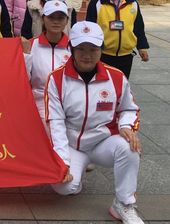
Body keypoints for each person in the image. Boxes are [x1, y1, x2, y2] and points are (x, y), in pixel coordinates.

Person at [45, 21, 144, 224]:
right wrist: (63, 161)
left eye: (93, 49)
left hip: (102, 142)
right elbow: (55, 123)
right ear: (71, 48)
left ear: (101, 49)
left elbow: (129, 108)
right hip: (72, 144)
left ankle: (123, 204)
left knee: (130, 147)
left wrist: (126, 126)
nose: (87, 55)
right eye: (81, 49)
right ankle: (77, 172)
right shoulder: (56, 79)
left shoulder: (116, 77)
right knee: (65, 187)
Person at [86, 0, 149, 79]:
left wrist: (142, 47)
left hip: (126, 55)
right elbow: (90, 29)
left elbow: (138, 27)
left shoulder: (132, 3)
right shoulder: (96, 3)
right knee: (103, 83)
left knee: (121, 83)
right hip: (103, 54)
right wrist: (90, 50)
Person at [21, 0, 71, 123]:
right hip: (38, 102)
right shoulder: (30, 45)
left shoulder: (74, 47)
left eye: (60, 18)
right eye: (51, 17)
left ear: (67, 21)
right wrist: (25, 55)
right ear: (43, 19)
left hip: (68, 103)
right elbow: (23, 79)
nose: (56, 21)